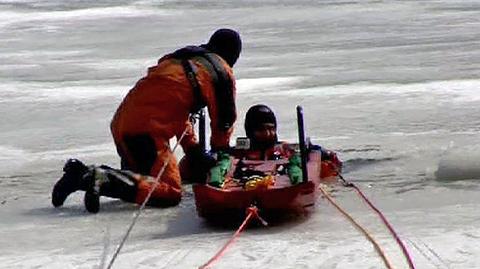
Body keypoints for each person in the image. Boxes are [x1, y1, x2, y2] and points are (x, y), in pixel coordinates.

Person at [52, 28, 242, 213]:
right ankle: (95, 178)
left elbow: (174, 109)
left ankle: (86, 176)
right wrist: (220, 153)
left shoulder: (182, 62)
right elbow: (224, 120)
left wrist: (192, 149)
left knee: (142, 181)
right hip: (146, 132)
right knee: (169, 192)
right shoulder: (220, 71)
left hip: (123, 123)